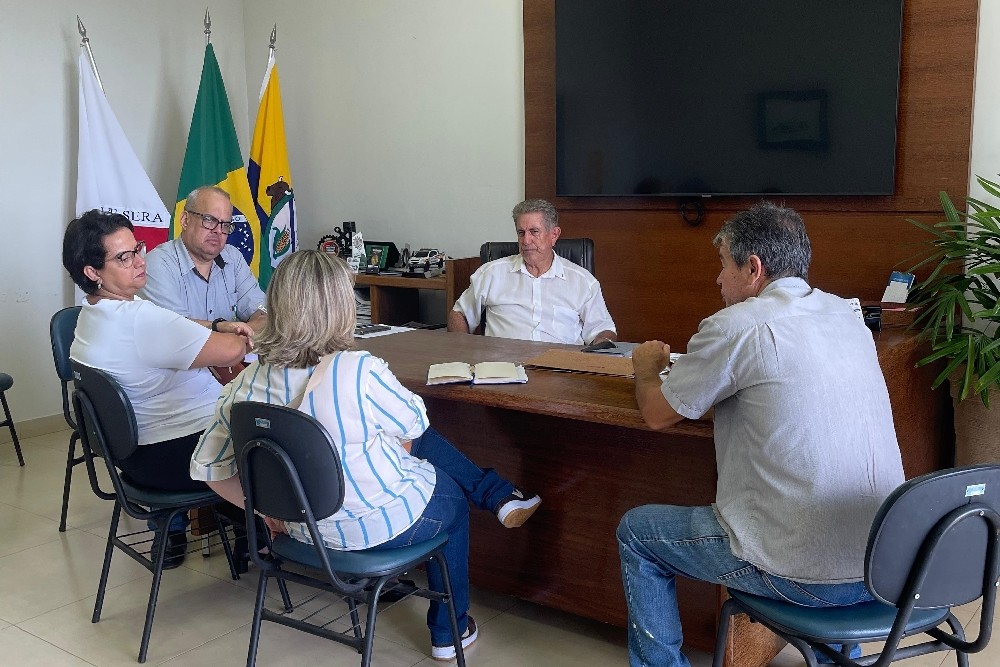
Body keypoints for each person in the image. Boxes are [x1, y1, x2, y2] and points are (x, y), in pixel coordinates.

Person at [190, 249, 541, 661]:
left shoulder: (244, 385)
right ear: (341, 307)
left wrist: (267, 513)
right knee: (452, 501)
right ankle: (450, 630)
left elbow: (210, 471)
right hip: (378, 529)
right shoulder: (359, 370)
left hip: (305, 534)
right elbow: (416, 427)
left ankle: (495, 497)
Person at [616, 202, 905, 667]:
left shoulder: (735, 325)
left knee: (637, 533)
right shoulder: (847, 316)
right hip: (886, 564)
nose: (718, 279)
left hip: (801, 572)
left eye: (722, 264)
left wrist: (646, 367)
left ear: (753, 268)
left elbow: (657, 414)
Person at [63, 210, 252, 567]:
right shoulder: (140, 321)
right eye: (124, 257)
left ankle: (232, 530)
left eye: (137, 249)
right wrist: (239, 333)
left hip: (137, 457)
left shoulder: (92, 314)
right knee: (273, 428)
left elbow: (173, 324)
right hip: (181, 455)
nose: (139, 261)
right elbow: (231, 351)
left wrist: (215, 325)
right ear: (92, 272)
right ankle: (260, 536)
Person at [448, 199, 617, 345]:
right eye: (521, 233)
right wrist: (463, 351)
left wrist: (602, 345)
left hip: (560, 367)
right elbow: (459, 314)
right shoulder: (491, 274)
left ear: (554, 235)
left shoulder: (582, 281)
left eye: (534, 232)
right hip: (503, 365)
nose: (526, 240)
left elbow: (603, 330)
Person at [140, 185, 267, 332]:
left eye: (225, 225)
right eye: (209, 220)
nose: (218, 231)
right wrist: (224, 329)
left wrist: (244, 331)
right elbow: (175, 329)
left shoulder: (233, 258)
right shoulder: (158, 264)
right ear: (185, 220)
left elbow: (263, 310)